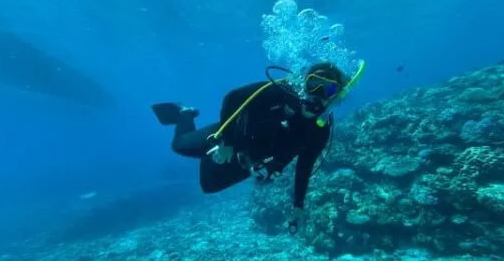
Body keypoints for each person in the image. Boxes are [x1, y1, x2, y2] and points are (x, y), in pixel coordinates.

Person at [151, 61, 365, 233]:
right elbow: (232, 98)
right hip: (229, 136)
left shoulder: (320, 130)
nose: (317, 93)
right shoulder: (281, 92)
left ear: (337, 96)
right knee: (179, 145)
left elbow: (305, 166)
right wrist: (226, 142)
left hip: (249, 156)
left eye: (328, 89)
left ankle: (210, 158)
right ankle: (185, 113)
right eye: (313, 84)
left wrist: (298, 205)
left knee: (209, 186)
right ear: (304, 83)